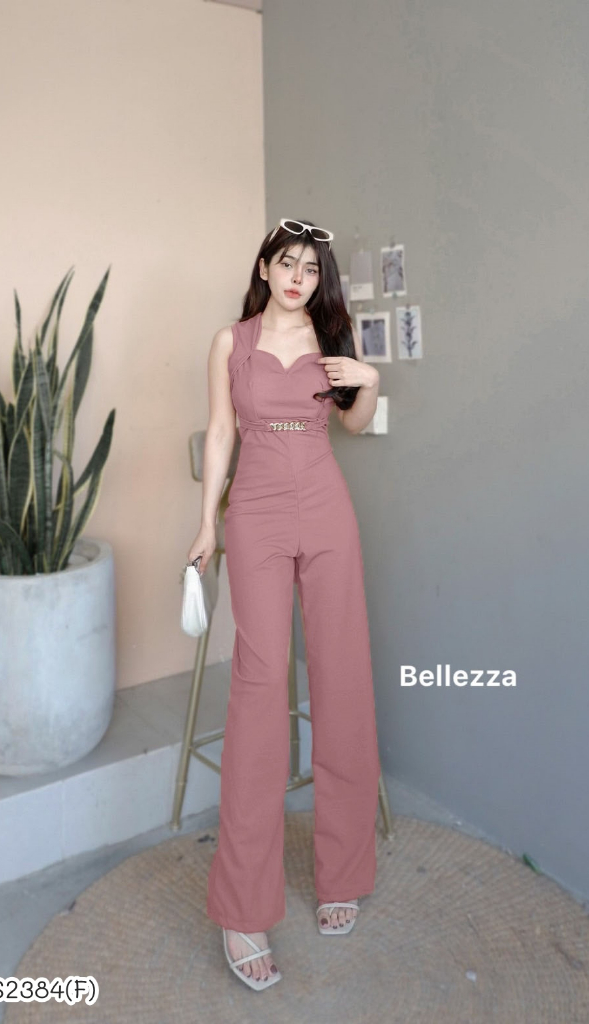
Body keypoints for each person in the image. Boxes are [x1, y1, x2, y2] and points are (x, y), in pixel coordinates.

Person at [187, 217, 382, 991]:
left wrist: (368, 383)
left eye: (311, 268)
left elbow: (355, 424)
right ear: (265, 267)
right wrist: (207, 524)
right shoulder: (230, 343)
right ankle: (242, 908)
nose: (299, 277)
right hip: (257, 515)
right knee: (260, 691)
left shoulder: (332, 338)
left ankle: (343, 871)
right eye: (287, 263)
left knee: (342, 681)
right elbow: (219, 433)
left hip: (327, 508)